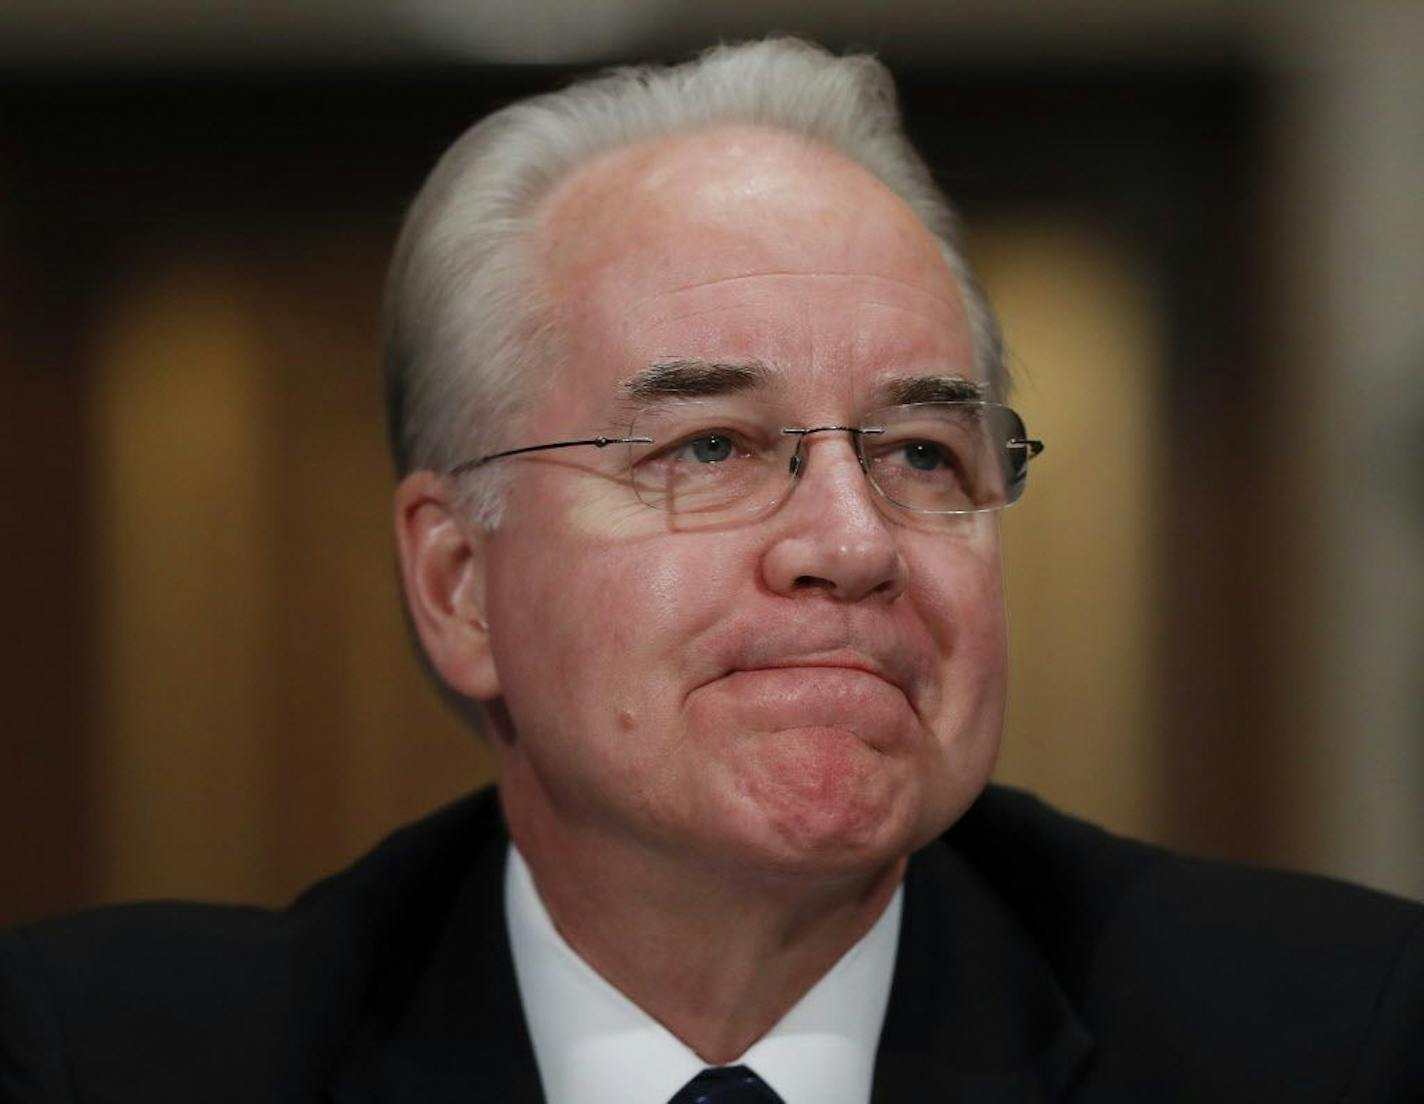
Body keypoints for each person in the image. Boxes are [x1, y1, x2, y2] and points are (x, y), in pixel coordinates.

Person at [2, 37, 1421, 1104]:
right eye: (709, 449)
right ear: (457, 585)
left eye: (923, 454)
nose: (853, 545)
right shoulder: (107, 1063)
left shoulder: (1334, 1043)